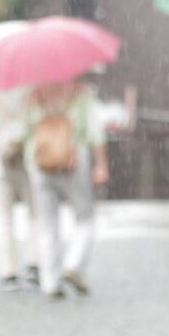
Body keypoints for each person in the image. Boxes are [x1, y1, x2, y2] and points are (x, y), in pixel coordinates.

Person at [26, 77, 107, 299]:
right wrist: (101, 163)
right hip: (72, 158)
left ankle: (49, 283)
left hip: (40, 161)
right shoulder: (81, 94)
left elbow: (26, 132)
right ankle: (73, 263)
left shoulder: (35, 94)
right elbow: (95, 130)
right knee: (85, 217)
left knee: (47, 223)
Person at [0, 85, 41, 291]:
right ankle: (34, 263)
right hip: (29, 160)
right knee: (35, 215)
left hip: (0, 159)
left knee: (4, 218)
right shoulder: (34, 89)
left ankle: (8, 272)